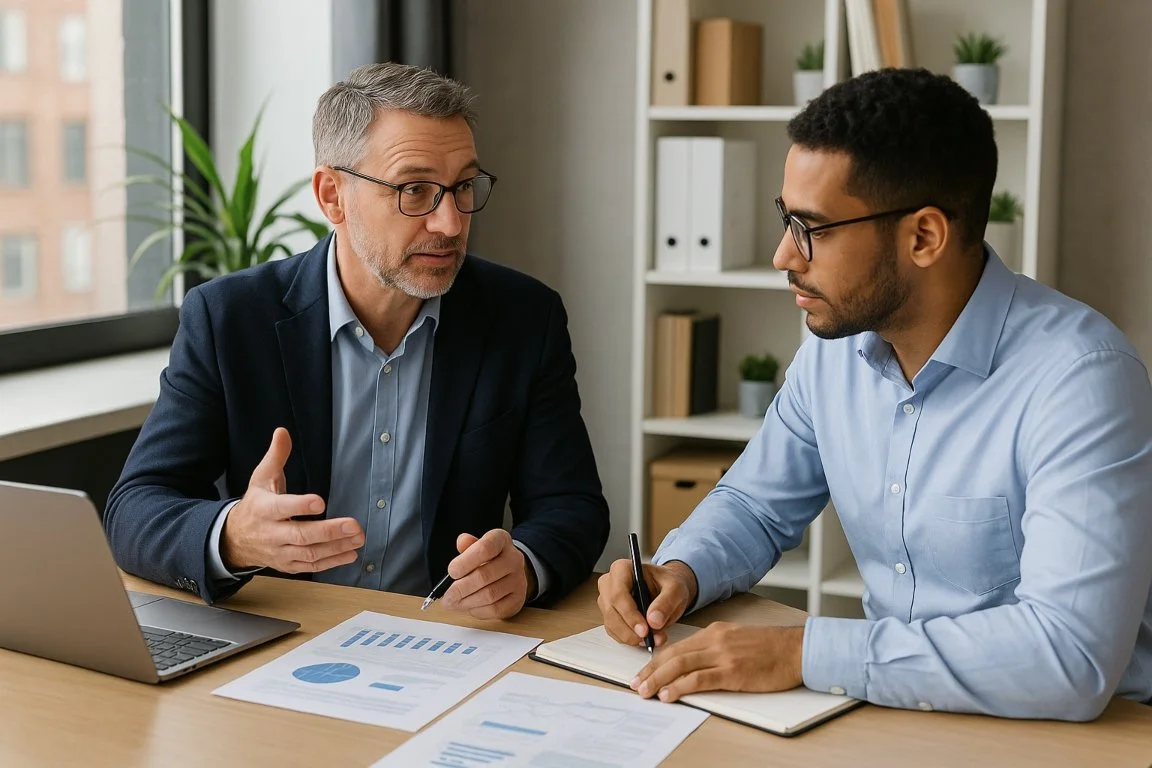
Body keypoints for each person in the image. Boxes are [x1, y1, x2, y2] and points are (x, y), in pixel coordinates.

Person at [598, 68, 1152, 720]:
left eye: (813, 228)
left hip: (1068, 738)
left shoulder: (1081, 380)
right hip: (893, 714)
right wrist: (679, 573)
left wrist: (799, 653)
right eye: (786, 219)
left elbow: (1069, 656)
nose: (783, 255)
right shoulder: (832, 352)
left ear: (924, 236)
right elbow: (754, 505)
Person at [105, 62, 610, 620]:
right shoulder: (229, 319)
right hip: (284, 639)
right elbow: (135, 508)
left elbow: (571, 506)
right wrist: (234, 537)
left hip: (446, 639)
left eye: (463, 186)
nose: (449, 222)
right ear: (332, 196)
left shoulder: (522, 317)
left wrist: (525, 563)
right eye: (415, 190)